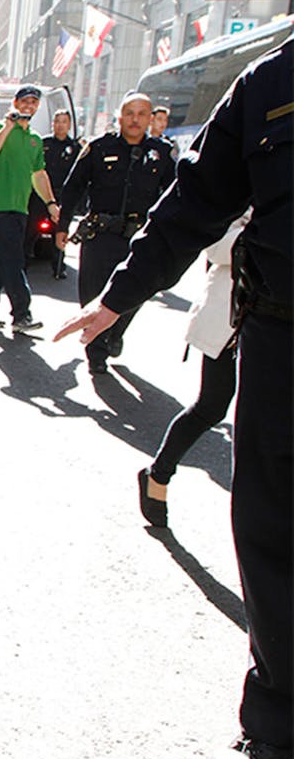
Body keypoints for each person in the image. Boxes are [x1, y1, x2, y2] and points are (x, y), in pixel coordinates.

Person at [55, 36, 290, 759]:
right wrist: (118, 297)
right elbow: (193, 204)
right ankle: (276, 723)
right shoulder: (267, 86)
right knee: (269, 528)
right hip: (283, 337)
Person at [54, 92, 176, 375]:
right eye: (129, 113)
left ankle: (114, 330)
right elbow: (73, 187)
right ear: (119, 117)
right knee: (92, 295)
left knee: (136, 292)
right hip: (100, 236)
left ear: (150, 119)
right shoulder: (98, 147)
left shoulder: (162, 153)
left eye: (141, 114)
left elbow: (174, 194)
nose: (135, 119)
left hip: (140, 238)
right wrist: (63, 227)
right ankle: (95, 354)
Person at [138, 212, 247, 527]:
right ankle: (158, 473)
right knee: (212, 405)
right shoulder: (249, 180)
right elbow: (213, 247)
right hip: (231, 317)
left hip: (277, 324)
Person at [0, 84, 58, 333]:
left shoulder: (35, 140)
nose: (29, 105)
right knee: (13, 260)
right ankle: (21, 313)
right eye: (24, 101)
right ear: (15, 103)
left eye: (33, 102)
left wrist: (50, 203)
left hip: (19, 207)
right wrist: (8, 126)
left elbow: (38, 175)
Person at [38, 109, 81, 280]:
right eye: (57, 121)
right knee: (30, 231)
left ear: (69, 125)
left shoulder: (75, 147)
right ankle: (23, 265)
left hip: (63, 195)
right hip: (41, 194)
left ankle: (58, 266)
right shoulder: (43, 143)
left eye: (64, 122)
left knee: (60, 231)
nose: (60, 125)